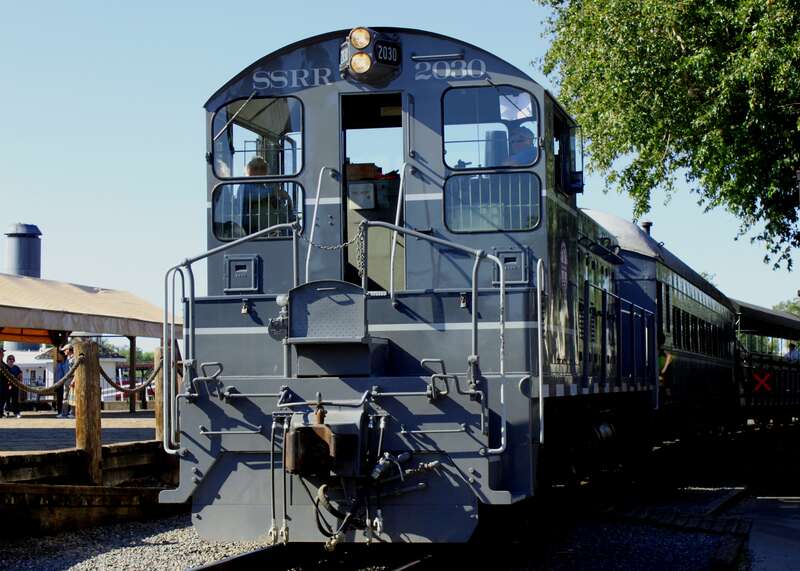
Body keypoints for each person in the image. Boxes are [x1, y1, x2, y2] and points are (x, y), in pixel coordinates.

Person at [54, 349, 70, 418]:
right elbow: (56, 374)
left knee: (65, 398)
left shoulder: (67, 363)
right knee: (59, 398)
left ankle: (66, 412)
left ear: (62, 355)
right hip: (58, 384)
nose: (57, 356)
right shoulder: (58, 364)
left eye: (59, 355)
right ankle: (60, 412)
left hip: (65, 383)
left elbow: (66, 373)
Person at [61, 344, 76, 418]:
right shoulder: (67, 358)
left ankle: (73, 413)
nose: (64, 352)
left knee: (73, 396)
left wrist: (74, 380)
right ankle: (64, 413)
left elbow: (77, 370)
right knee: (65, 396)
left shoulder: (75, 358)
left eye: (64, 350)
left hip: (73, 378)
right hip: (67, 378)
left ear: (68, 350)